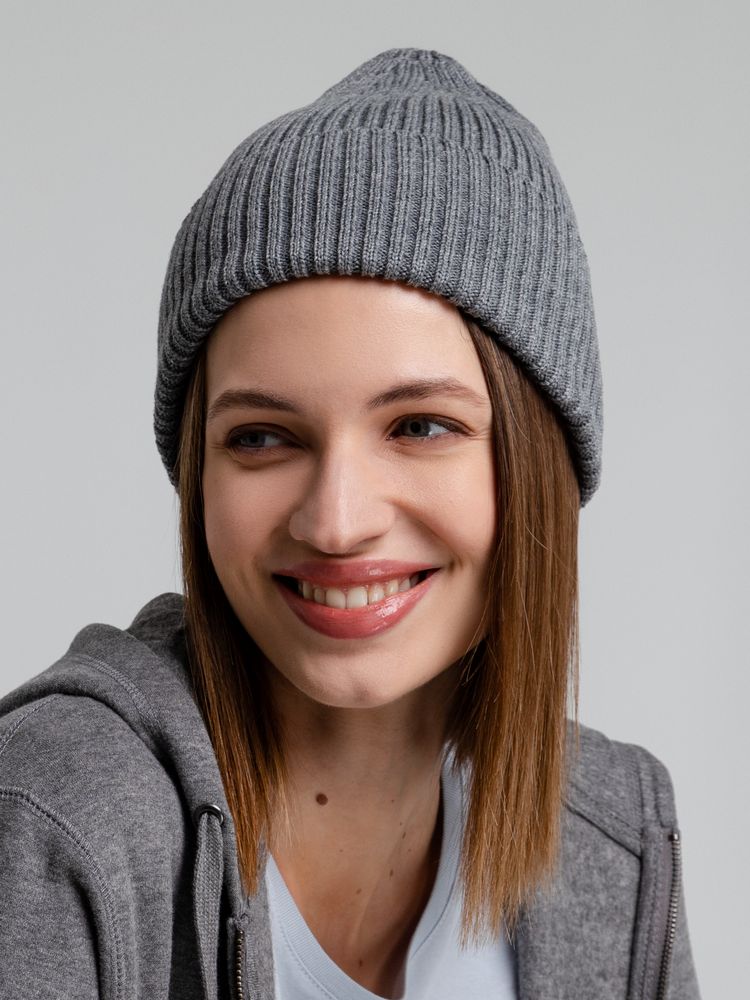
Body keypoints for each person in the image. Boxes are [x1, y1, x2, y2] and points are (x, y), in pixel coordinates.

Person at [0, 47, 701, 1000]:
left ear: (538, 464)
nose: (335, 523)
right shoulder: (56, 817)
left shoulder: (617, 837)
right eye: (262, 437)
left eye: (420, 426)